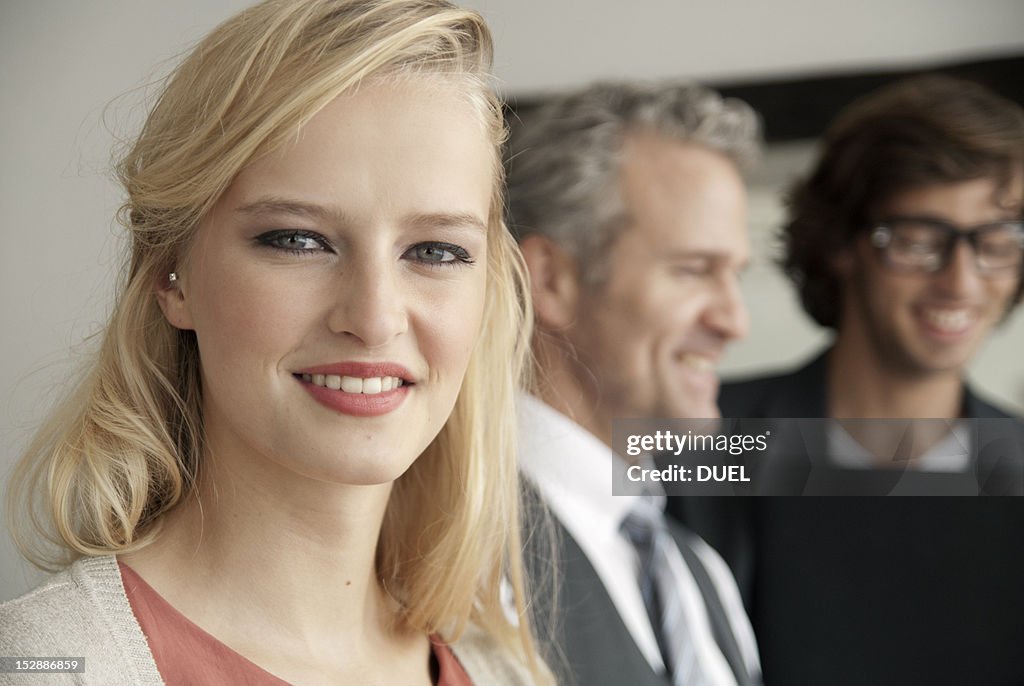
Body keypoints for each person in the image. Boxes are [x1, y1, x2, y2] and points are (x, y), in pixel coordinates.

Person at [0, 1, 552, 684]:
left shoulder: (501, 671)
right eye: (298, 240)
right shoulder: (50, 665)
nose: (375, 318)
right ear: (171, 273)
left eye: (436, 251)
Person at [681, 75, 1024, 685]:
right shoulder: (703, 443)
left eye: (997, 242)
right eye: (920, 241)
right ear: (842, 243)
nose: (962, 283)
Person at [507, 81, 764, 686]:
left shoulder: (700, 575)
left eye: (737, 276)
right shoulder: (445, 554)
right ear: (551, 279)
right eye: (694, 270)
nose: (734, 322)